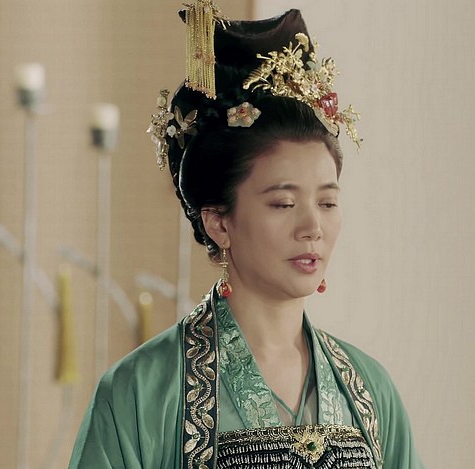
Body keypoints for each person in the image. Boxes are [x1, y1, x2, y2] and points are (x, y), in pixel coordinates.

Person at [69, 3, 422, 468]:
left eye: (327, 203)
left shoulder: (371, 392)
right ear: (219, 222)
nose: (312, 228)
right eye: (283, 203)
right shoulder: (141, 393)